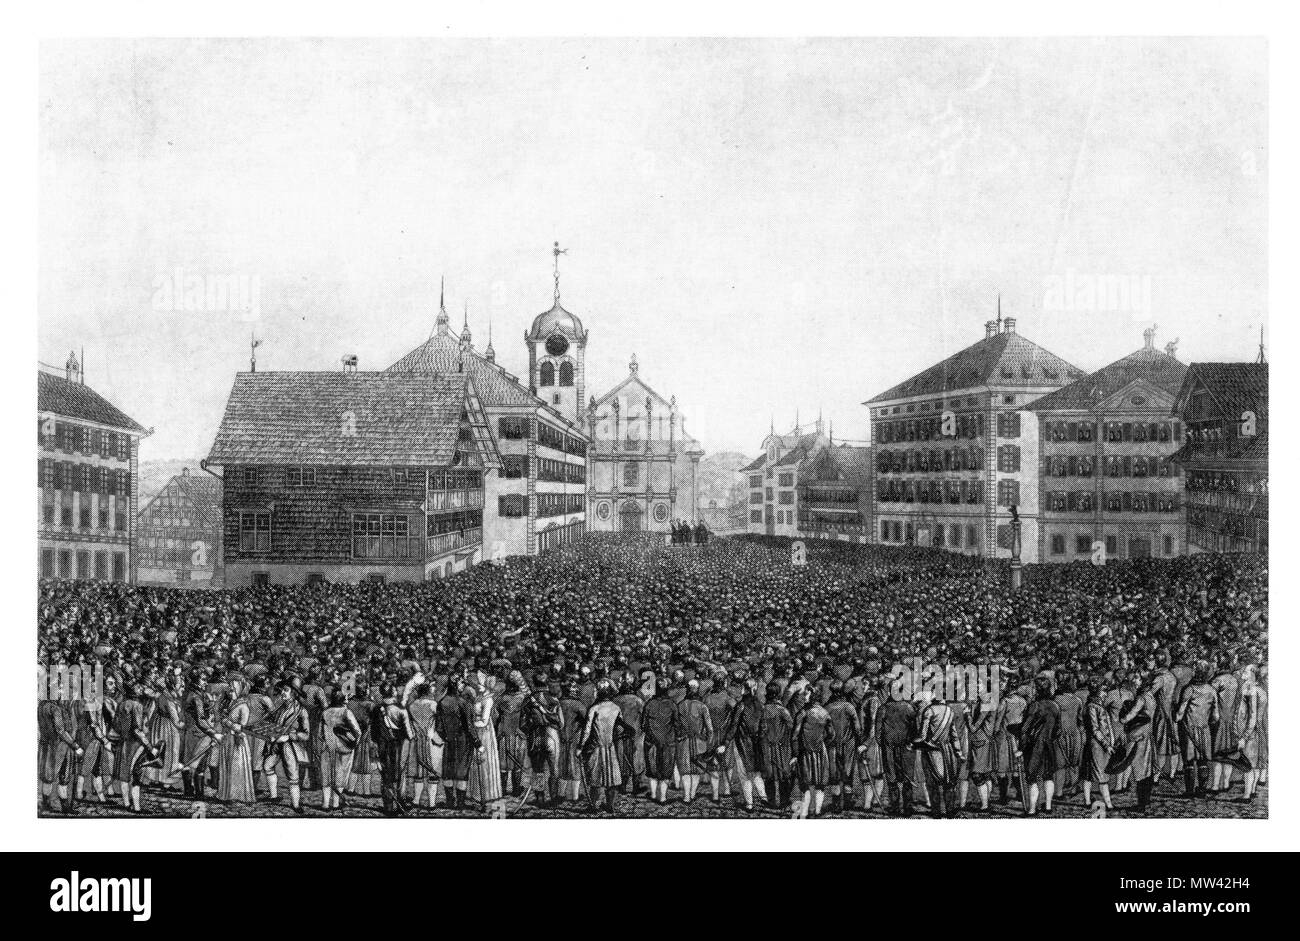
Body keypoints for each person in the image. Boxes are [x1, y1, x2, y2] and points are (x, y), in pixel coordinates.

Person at [579, 679, 633, 813]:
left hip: (597, 748)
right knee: (612, 780)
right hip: (610, 748)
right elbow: (620, 729)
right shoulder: (615, 708)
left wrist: (580, 747)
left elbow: (586, 730)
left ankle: (593, 806)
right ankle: (610, 806)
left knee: (595, 779)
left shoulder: (594, 708)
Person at [261, 678, 312, 814]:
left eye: (286, 690)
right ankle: (274, 796)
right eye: (282, 690)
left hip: (290, 746)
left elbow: (306, 735)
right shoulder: (280, 706)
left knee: (293, 776)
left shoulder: (302, 711)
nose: (283, 693)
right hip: (276, 744)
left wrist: (289, 736)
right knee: (267, 766)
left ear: (294, 693)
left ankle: (295, 805)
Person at [370, 677, 416, 816]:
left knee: (386, 776)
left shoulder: (376, 708)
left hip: (382, 745)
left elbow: (373, 731)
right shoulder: (401, 710)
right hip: (398, 746)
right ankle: (400, 803)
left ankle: (388, 806)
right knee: (399, 775)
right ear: (393, 692)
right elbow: (409, 734)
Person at [913, 690, 963, 818]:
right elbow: (954, 735)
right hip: (948, 751)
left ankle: (936, 812)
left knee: (932, 783)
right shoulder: (950, 711)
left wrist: (912, 743)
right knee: (949, 783)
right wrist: (958, 752)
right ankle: (950, 811)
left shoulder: (929, 710)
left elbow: (922, 736)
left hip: (931, 750)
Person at [1174, 661, 1218, 799]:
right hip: (1204, 730)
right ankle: (1202, 790)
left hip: (1189, 730)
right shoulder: (1212, 690)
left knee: (1189, 762)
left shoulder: (1189, 689)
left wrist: (1175, 717)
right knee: (1203, 762)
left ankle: (1189, 791)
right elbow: (1216, 716)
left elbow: (1180, 714)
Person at [436, 675, 480, 810]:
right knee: (462, 772)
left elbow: (439, 727)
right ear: (456, 685)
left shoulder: (442, 702)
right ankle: (460, 803)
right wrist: (478, 743)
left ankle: (450, 801)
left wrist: (446, 736)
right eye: (461, 684)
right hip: (463, 741)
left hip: (449, 741)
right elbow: (470, 726)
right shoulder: (464, 703)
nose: (463, 686)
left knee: (448, 771)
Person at [1020, 676, 1059, 816]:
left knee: (1032, 778)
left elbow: (1025, 729)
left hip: (1034, 747)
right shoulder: (1055, 706)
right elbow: (1057, 729)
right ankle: (1048, 807)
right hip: (1049, 745)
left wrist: (1021, 747)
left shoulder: (1034, 706)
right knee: (1048, 776)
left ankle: (1032, 809)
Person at [521, 673, 561, 807]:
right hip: (551, 735)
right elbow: (560, 723)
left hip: (535, 736)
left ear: (534, 682)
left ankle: (540, 798)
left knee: (538, 769)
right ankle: (554, 799)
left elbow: (522, 724)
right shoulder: (553, 699)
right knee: (554, 769)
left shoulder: (528, 700)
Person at [216, 674, 256, 804]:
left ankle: (236, 795)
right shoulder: (231, 703)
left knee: (236, 767)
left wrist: (227, 722)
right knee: (227, 767)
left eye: (233, 690)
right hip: (227, 739)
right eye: (230, 689)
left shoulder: (244, 706)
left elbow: (241, 728)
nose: (230, 692)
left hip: (237, 741)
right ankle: (226, 794)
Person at [792, 687, 832, 818]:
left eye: (807, 694)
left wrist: (795, 754)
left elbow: (794, 736)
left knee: (806, 784)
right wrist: (822, 742)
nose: (804, 697)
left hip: (806, 752)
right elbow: (831, 734)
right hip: (821, 751)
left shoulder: (802, 713)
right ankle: (818, 811)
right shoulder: (825, 713)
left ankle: (804, 812)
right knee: (820, 784)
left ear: (813, 696)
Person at [466, 671, 503, 810]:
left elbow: (484, 721)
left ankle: (486, 796)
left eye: (480, 685)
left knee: (483, 763)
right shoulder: (479, 697)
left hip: (484, 733)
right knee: (475, 764)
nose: (478, 687)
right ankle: (475, 795)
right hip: (476, 731)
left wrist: (468, 725)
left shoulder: (488, 700)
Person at [38, 697, 81, 815]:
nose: (62, 692)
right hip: (61, 747)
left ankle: (46, 805)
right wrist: (75, 746)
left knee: (48, 777)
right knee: (64, 777)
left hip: (46, 746)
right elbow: (61, 731)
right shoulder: (55, 709)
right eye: (59, 689)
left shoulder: (41, 705)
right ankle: (65, 807)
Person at [641, 678, 680, 805]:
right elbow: (677, 724)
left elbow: (643, 725)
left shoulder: (648, 704)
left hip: (651, 741)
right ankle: (663, 797)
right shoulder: (672, 704)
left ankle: (653, 794)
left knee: (652, 769)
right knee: (666, 770)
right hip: (668, 742)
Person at [321, 688, 362, 811]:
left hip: (327, 747)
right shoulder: (346, 712)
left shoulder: (325, 712)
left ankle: (325, 804)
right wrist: (354, 744)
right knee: (340, 775)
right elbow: (358, 732)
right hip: (344, 748)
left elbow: (320, 732)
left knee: (326, 775)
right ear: (343, 699)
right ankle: (335, 804)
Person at [824, 681, 861, 813]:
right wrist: (860, 742)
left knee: (834, 775)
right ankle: (847, 803)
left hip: (832, 744)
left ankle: (836, 804)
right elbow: (857, 728)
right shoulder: (849, 707)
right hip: (848, 744)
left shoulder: (827, 708)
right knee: (848, 773)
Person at [877, 691, 916, 816]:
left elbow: (878, 733)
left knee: (892, 777)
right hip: (906, 747)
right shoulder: (909, 708)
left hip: (889, 747)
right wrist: (910, 742)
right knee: (907, 778)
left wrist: (883, 744)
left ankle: (895, 808)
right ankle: (908, 808)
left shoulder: (883, 708)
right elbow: (915, 730)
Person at [676, 679, 713, 804]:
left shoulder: (680, 705)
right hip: (699, 742)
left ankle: (687, 796)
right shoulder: (702, 706)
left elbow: (676, 726)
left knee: (685, 770)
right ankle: (691, 794)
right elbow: (710, 729)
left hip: (683, 742)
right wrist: (709, 742)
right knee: (696, 770)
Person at [759, 681, 795, 811]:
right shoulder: (782, 710)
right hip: (781, 747)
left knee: (769, 775)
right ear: (778, 694)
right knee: (783, 774)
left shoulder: (763, 710)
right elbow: (791, 727)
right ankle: (784, 801)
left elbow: (761, 730)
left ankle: (772, 801)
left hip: (767, 746)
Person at [1081, 676, 1115, 812]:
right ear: (1097, 691)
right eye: (1103, 691)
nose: (1105, 694)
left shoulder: (1098, 705)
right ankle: (1108, 803)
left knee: (1090, 773)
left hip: (1100, 744)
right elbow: (1095, 729)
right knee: (1100, 776)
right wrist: (1107, 745)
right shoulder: (1091, 707)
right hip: (1097, 745)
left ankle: (1089, 800)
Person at [613, 676, 645, 796]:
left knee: (622, 758)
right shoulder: (638, 701)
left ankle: (623, 787)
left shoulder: (615, 700)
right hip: (635, 734)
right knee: (635, 759)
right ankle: (635, 787)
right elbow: (644, 717)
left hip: (620, 734)